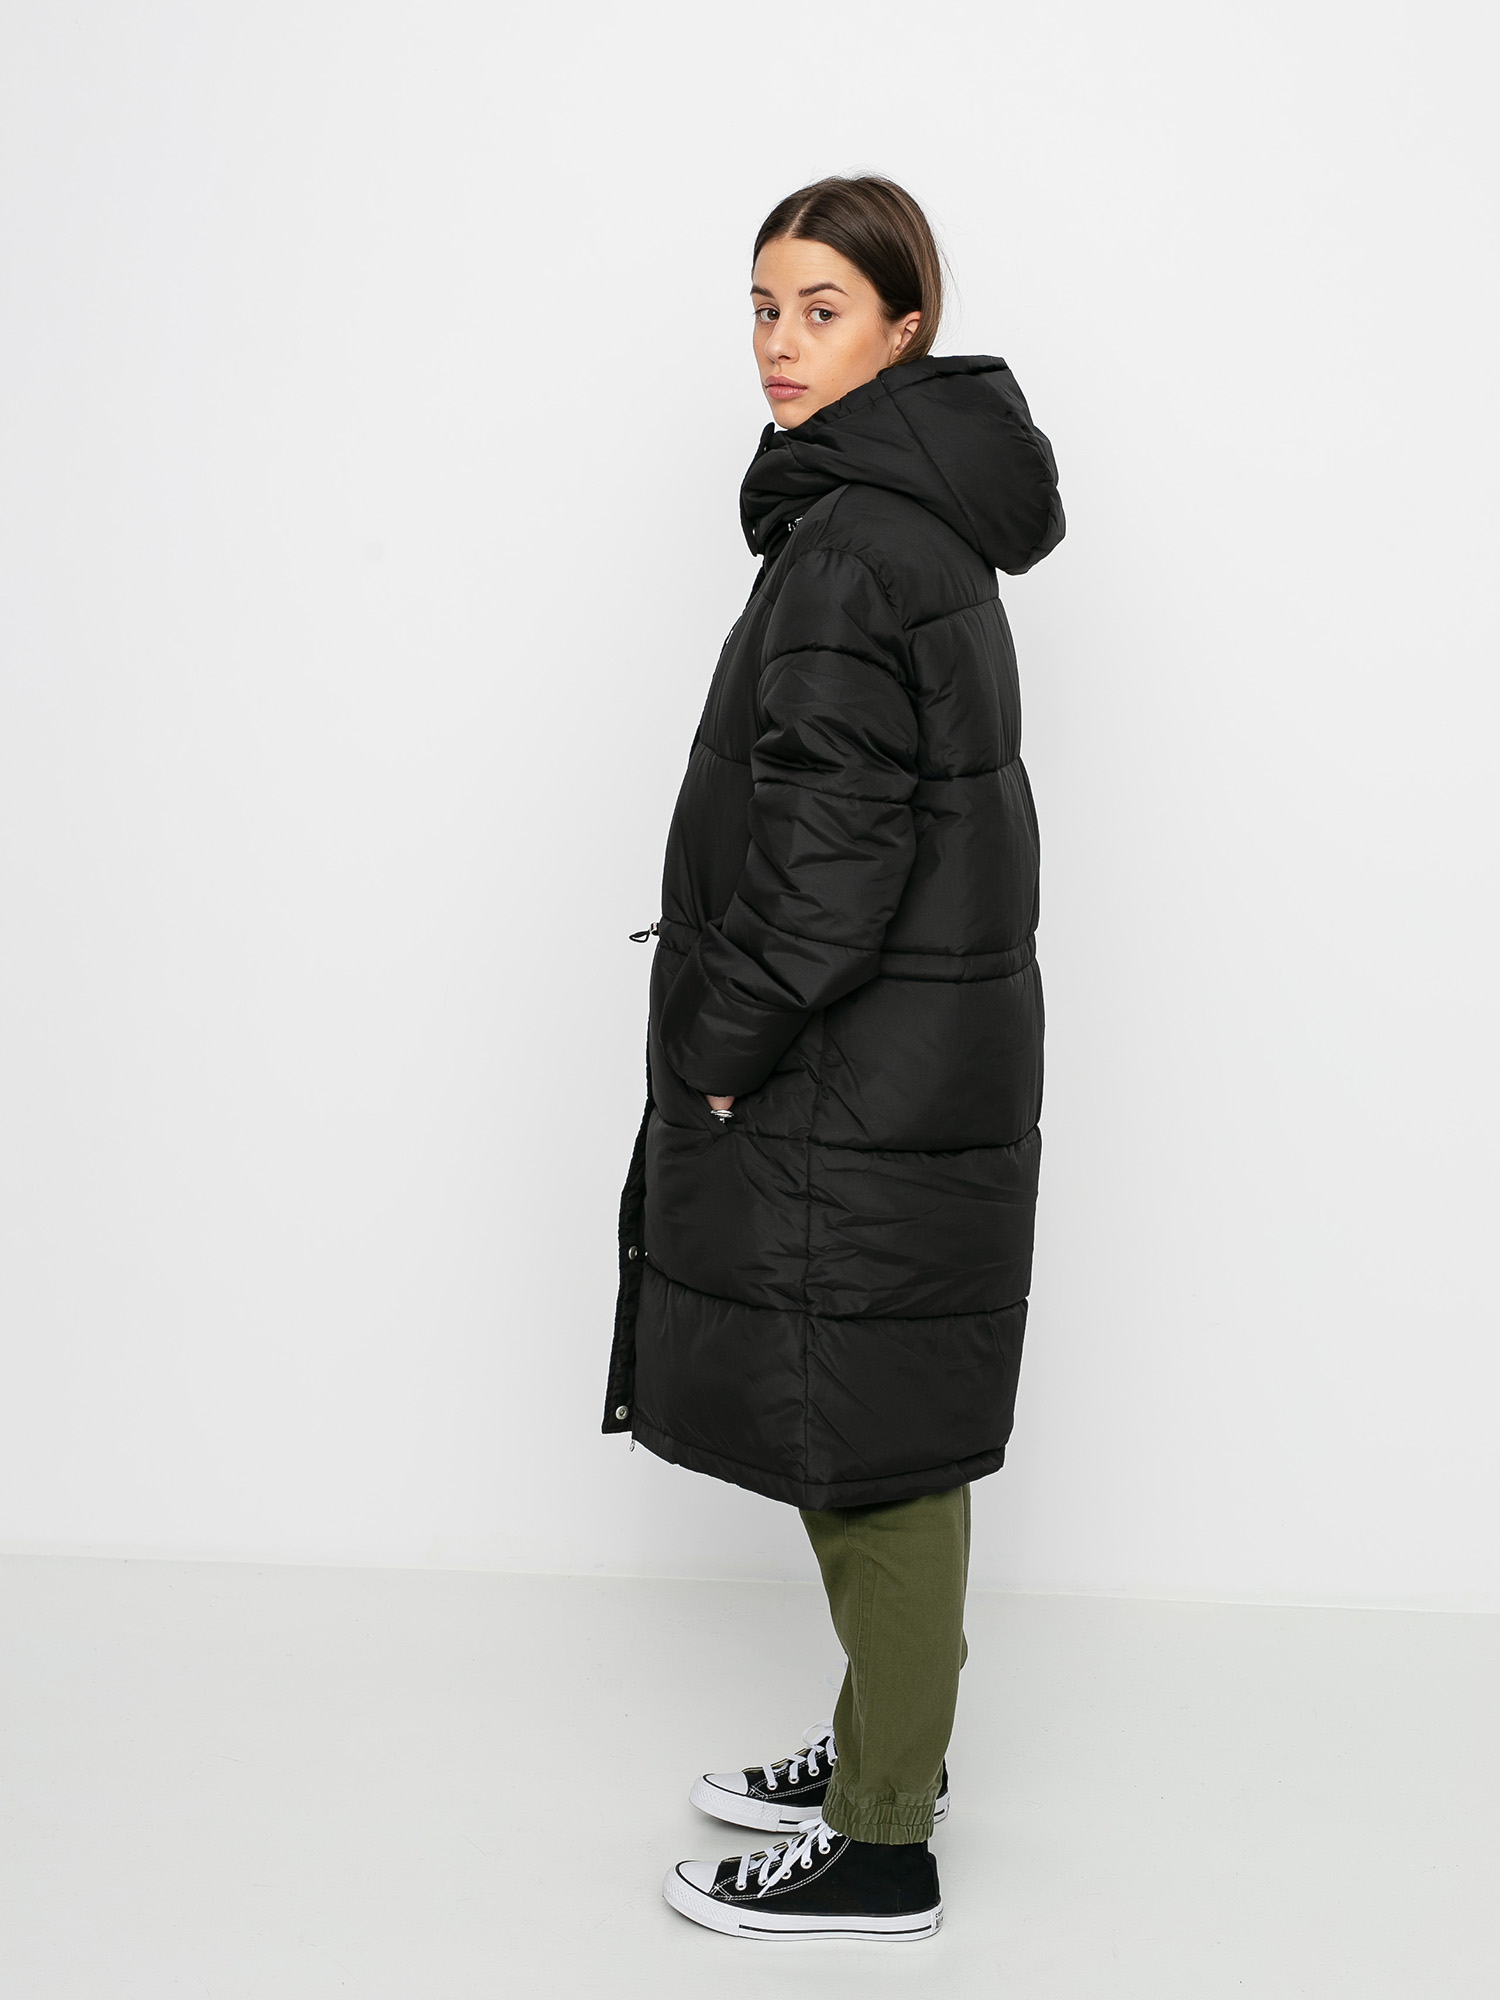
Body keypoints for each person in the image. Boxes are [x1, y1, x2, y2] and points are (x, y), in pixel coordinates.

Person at [602, 174, 1065, 1942]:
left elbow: (830, 860)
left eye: (821, 310)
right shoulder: (907, 523)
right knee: (878, 1422)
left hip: (858, 1077)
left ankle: (881, 1848)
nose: (779, 345)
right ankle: (888, 1750)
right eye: (763, 306)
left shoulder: (857, 547)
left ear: (905, 328)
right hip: (911, 1066)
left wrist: (718, 1051)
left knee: (875, 1454)